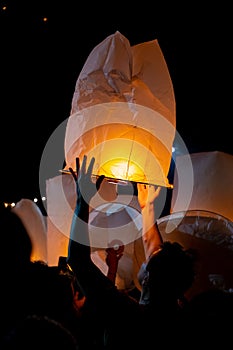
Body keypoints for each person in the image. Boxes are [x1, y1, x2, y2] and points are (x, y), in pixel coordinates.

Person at [67, 155, 197, 349]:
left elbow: (78, 260)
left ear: (148, 278)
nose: (148, 254)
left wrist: (83, 201)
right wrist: (147, 209)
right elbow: (156, 253)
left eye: (149, 260)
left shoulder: (124, 312)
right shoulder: (185, 320)